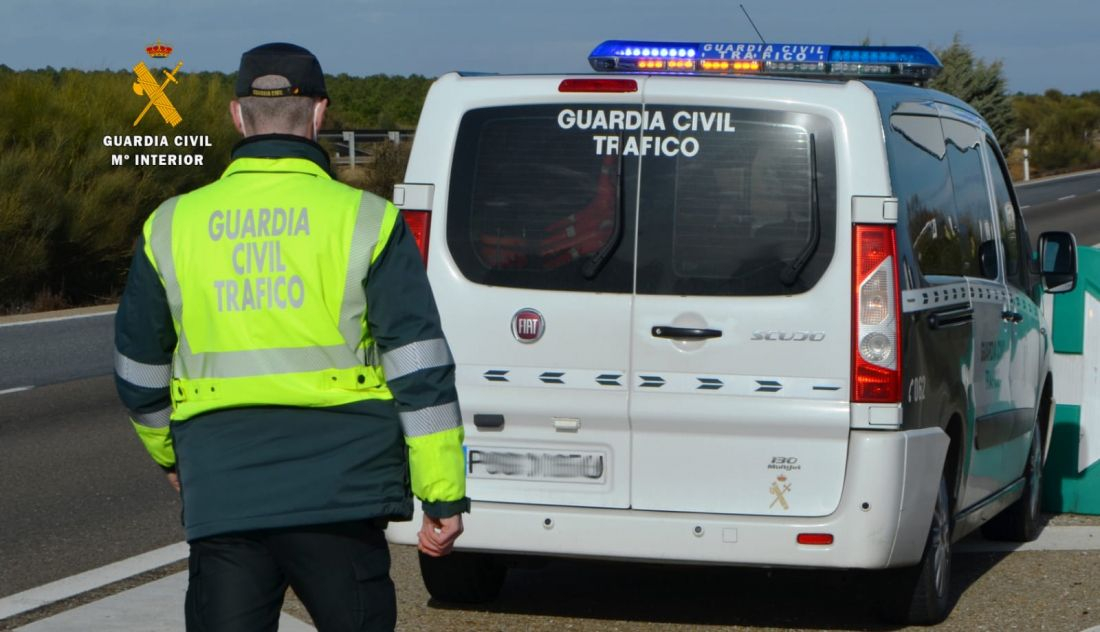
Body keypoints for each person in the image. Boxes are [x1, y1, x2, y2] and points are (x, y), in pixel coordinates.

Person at [113, 42, 467, 631]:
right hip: (342, 491)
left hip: (224, 488)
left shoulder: (171, 225)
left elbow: (138, 371)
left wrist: (173, 455)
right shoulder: (368, 220)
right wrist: (443, 495)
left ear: (237, 115)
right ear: (320, 113)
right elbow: (419, 367)